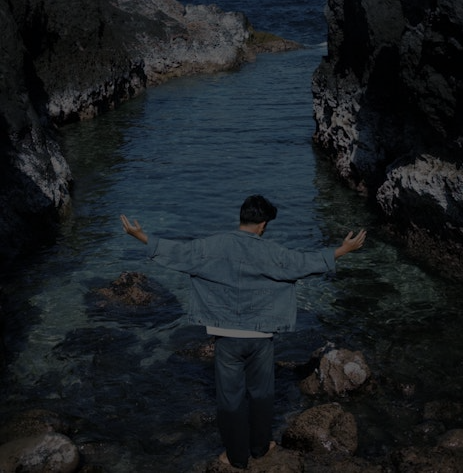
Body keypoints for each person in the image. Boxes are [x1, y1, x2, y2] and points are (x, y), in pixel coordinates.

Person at [120, 194, 366, 469]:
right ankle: (260, 448)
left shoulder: (211, 246)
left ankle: (236, 457)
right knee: (262, 395)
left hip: (226, 337)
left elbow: (178, 252)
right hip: (261, 337)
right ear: (263, 225)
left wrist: (140, 236)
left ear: (242, 217)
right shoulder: (273, 252)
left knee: (230, 399)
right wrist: (342, 250)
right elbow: (304, 263)